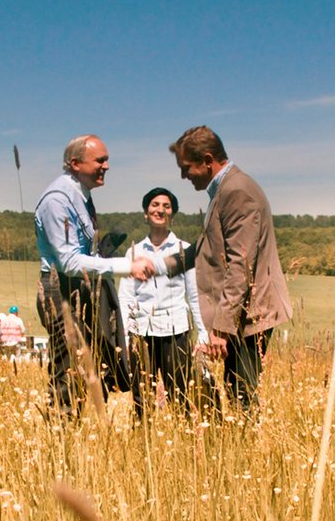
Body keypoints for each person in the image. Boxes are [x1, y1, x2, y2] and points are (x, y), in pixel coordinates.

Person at [34, 134, 161, 417]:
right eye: (101, 160)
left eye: (107, 160)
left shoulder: (81, 195)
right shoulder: (58, 200)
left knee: (87, 370)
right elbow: (67, 261)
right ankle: (62, 440)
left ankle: (76, 435)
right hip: (62, 291)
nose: (107, 166)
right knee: (68, 373)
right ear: (76, 163)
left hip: (81, 290)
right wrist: (126, 266)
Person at [169, 126, 292, 413]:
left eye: (187, 168)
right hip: (242, 315)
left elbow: (241, 264)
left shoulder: (237, 191)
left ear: (208, 160)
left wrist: (221, 328)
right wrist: (156, 266)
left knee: (242, 394)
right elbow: (204, 250)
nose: (184, 176)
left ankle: (247, 454)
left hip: (250, 315)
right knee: (238, 390)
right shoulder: (225, 189)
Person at [118, 187, 219, 415]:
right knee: (141, 396)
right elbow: (126, 296)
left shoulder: (183, 250)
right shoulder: (133, 252)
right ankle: (142, 442)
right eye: (155, 205)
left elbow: (194, 294)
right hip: (141, 332)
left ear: (172, 214)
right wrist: (125, 334)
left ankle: (181, 439)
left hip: (176, 333)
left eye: (166, 206)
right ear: (146, 213)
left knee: (179, 393)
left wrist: (203, 334)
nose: (160, 210)